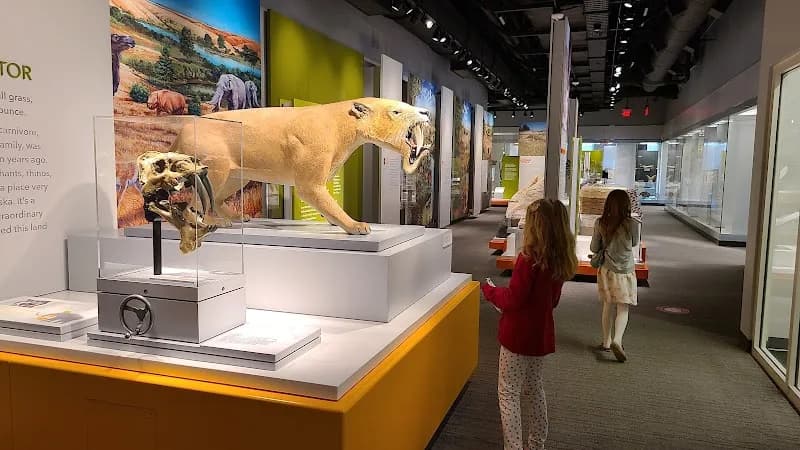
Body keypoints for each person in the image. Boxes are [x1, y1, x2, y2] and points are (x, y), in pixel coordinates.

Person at [482, 199, 578, 450]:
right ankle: (537, 444)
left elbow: (514, 299)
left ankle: (513, 447)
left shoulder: (528, 260)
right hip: (540, 335)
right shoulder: (560, 259)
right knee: (535, 389)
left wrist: (489, 291)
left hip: (516, 336)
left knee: (508, 393)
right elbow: (553, 301)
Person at [590, 189, 640, 363]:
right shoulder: (633, 224)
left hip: (606, 270)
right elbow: (634, 243)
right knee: (623, 307)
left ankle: (606, 341)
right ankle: (617, 340)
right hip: (625, 271)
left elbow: (594, 248)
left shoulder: (600, 223)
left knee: (607, 305)